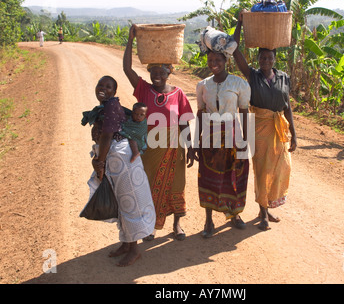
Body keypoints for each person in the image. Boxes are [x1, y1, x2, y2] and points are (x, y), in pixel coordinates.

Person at [123, 25, 195, 241]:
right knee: (150, 183)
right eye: (153, 72)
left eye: (161, 72)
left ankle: (177, 225)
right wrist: (130, 40)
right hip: (150, 147)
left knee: (176, 183)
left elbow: (184, 122)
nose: (157, 76)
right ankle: (151, 225)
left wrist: (190, 148)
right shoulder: (144, 89)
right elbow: (127, 69)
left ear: (169, 72)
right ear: (149, 73)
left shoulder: (178, 93)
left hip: (175, 147)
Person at [233, 10, 297, 231]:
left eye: (269, 57)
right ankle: (262, 214)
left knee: (280, 168)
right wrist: (240, 24)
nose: (266, 61)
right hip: (258, 128)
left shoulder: (283, 77)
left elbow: (287, 106)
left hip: (280, 129)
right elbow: (235, 52)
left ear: (275, 59)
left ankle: (267, 206)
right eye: (262, 58)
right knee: (261, 170)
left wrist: (294, 135)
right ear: (257, 59)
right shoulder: (252, 76)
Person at [82, 75, 156, 266]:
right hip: (115, 160)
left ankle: (134, 249)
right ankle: (126, 243)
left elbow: (107, 136)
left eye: (108, 86)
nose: (103, 88)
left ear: (114, 92)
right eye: (100, 84)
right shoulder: (103, 108)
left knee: (129, 203)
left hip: (123, 161)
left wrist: (99, 161)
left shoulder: (111, 105)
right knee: (122, 203)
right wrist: (100, 161)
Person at [195, 47, 251, 238]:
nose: (213, 64)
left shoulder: (239, 84)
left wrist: (245, 140)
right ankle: (208, 220)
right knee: (208, 175)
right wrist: (196, 141)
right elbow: (200, 113)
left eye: (217, 60)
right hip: (210, 135)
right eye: (210, 60)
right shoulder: (203, 85)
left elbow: (244, 112)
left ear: (225, 60)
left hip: (232, 133)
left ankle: (234, 214)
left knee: (235, 173)